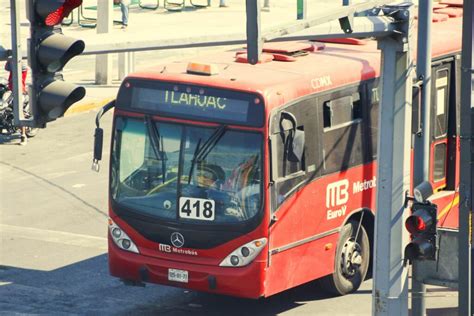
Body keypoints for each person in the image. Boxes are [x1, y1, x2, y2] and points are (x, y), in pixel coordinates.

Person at [5, 60, 28, 145]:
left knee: (19, 111)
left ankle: (23, 136)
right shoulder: (12, 63)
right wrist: (9, 60)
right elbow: (6, 68)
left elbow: (24, 68)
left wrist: (15, 61)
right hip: (11, 90)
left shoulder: (23, 65)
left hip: (19, 91)